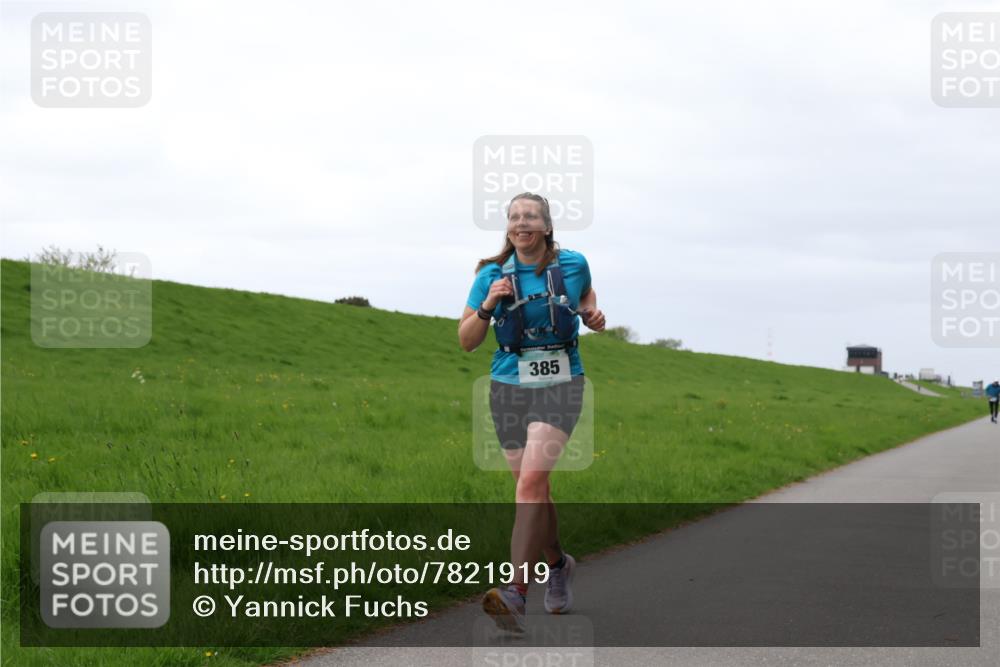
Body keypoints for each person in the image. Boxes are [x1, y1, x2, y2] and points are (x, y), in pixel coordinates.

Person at [458, 192, 605, 633]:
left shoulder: (573, 263)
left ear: (546, 226)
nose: (522, 223)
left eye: (531, 217)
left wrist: (589, 313)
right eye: (515, 217)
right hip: (507, 386)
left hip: (562, 382)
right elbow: (466, 340)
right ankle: (558, 564)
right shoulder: (490, 274)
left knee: (531, 483)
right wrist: (488, 305)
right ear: (508, 228)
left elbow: (586, 294)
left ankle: (515, 592)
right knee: (534, 491)